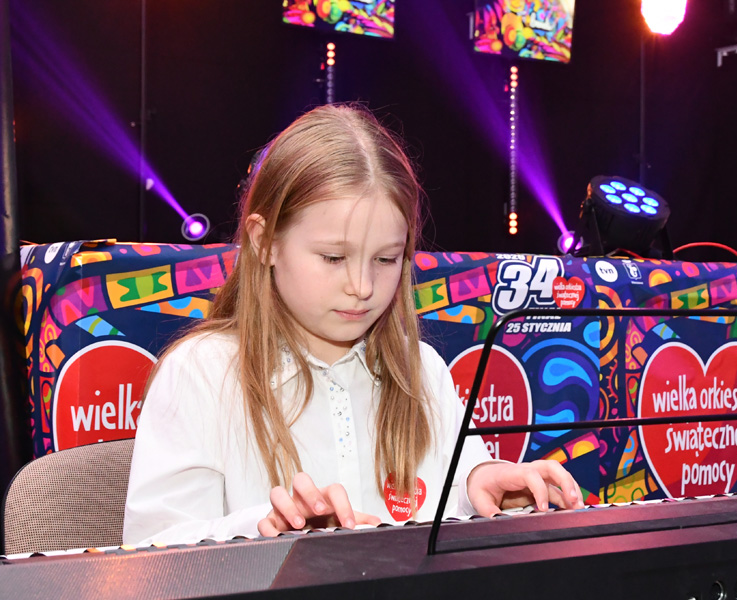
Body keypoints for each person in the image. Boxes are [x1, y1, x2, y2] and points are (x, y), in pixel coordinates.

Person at [122, 104, 584, 546]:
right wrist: (263, 535)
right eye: (333, 258)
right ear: (265, 242)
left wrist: (482, 485)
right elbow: (150, 553)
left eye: (386, 259)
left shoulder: (422, 369)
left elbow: (456, 490)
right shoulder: (201, 373)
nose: (362, 287)